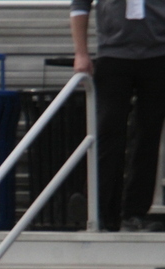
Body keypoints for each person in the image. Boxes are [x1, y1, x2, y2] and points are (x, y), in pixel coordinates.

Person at [70, 0, 165, 232]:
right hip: (114, 54)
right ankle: (101, 211)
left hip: (157, 54)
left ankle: (134, 213)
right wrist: (81, 52)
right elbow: (79, 7)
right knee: (108, 132)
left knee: (147, 135)